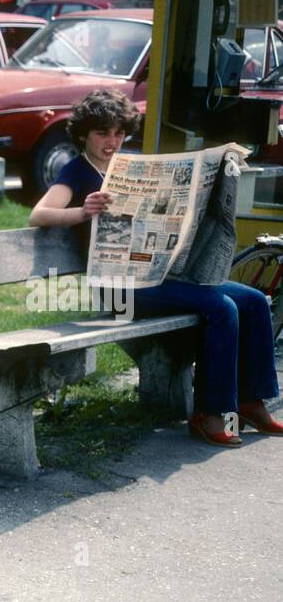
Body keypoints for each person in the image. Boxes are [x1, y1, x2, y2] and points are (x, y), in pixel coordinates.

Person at [28, 88, 283, 447]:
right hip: (118, 289)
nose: (112, 141)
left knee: (254, 300)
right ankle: (211, 412)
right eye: (103, 133)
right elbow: (38, 214)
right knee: (220, 307)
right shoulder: (76, 171)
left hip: (157, 276)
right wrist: (82, 212)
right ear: (84, 134)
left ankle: (251, 401)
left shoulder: (127, 166)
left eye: (119, 133)